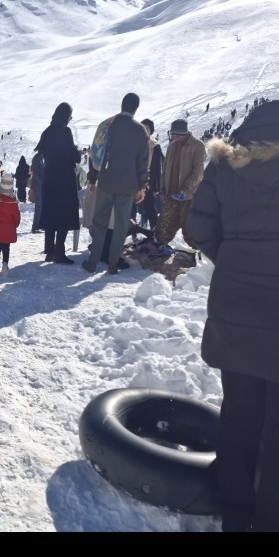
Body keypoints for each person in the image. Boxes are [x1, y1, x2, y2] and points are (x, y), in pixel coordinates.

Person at [186, 100, 279, 532]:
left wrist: (234, 256)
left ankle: (235, 513)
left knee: (240, 412)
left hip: (235, 303)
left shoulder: (224, 164)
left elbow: (198, 231)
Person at [81, 93, 149, 275]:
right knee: (120, 224)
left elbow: (95, 153)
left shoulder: (107, 124)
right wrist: (142, 186)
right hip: (128, 185)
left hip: (106, 181)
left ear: (122, 105)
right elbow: (143, 161)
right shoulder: (141, 130)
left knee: (100, 222)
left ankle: (93, 262)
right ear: (136, 109)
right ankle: (112, 264)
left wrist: (93, 179)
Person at [34, 102, 81, 265]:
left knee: (51, 213)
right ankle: (59, 252)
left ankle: (49, 250)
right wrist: (77, 151)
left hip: (49, 179)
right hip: (63, 180)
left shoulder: (47, 131)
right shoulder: (65, 131)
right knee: (63, 214)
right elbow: (72, 155)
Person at [153, 119, 205, 250]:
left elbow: (198, 171)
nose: (172, 137)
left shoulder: (197, 146)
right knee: (164, 225)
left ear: (182, 133)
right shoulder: (172, 146)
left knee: (189, 228)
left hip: (189, 196)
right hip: (171, 194)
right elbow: (164, 170)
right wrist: (163, 190)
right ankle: (159, 246)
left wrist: (185, 190)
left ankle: (198, 260)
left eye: (174, 135)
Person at [138, 118, 164, 230]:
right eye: (142, 127)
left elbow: (158, 166)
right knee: (130, 209)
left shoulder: (154, 145)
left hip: (148, 180)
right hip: (134, 180)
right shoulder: (135, 143)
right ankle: (131, 233)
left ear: (151, 130)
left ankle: (155, 234)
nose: (144, 130)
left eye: (147, 128)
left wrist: (156, 185)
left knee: (150, 208)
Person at [30, 150, 45, 233]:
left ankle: (40, 225)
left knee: (42, 207)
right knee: (39, 207)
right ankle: (35, 226)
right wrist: (43, 183)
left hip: (42, 187)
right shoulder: (37, 158)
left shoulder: (43, 157)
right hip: (39, 187)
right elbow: (35, 174)